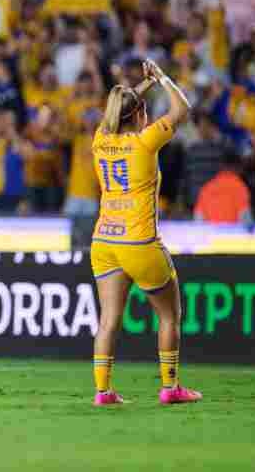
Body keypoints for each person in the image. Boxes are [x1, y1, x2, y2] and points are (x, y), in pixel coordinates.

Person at [90, 59, 202, 406]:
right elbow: (182, 107)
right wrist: (162, 78)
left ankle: (103, 391)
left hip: (105, 241)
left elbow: (118, 111)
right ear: (139, 115)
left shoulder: (100, 140)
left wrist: (142, 87)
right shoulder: (145, 141)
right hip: (139, 242)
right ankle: (170, 387)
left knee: (108, 320)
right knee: (169, 314)